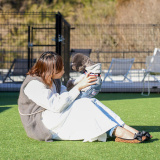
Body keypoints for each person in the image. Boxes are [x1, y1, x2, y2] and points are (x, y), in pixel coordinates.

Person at [18, 51, 152, 143]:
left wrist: (77, 84)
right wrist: (78, 87)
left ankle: (125, 127)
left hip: (54, 116)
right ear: (52, 70)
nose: (64, 69)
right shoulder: (33, 85)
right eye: (61, 67)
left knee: (90, 101)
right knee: (84, 104)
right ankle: (118, 132)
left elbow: (65, 94)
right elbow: (56, 105)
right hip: (42, 124)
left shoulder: (53, 79)